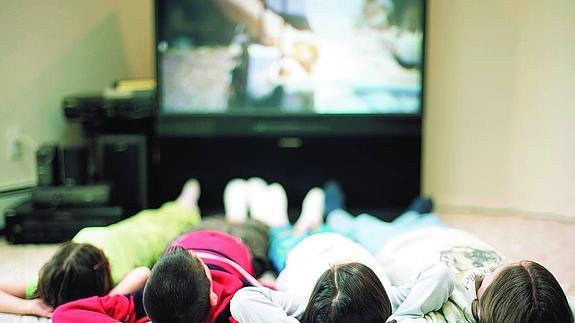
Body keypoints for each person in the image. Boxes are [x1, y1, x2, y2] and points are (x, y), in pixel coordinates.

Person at [229, 180, 455, 323]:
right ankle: (313, 217)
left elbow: (242, 300)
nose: (337, 260)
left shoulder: (301, 303)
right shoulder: (389, 300)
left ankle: (291, 216)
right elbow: (440, 273)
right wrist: (406, 314)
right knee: (327, 223)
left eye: (333, 266)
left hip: (297, 250)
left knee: (279, 231)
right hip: (342, 239)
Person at [52, 178, 272, 323]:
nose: (193, 256)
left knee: (210, 218)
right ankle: (243, 203)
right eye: (199, 265)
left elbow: (63, 313)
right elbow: (272, 294)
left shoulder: (142, 306)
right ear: (213, 296)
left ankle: (236, 202)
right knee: (255, 224)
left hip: (192, 234)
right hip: (240, 242)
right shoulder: (236, 303)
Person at [327, 206, 575, 323]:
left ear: (483, 307)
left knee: (354, 223)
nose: (484, 271)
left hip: (397, 243)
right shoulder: (540, 303)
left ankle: (333, 208)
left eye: (484, 278)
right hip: (445, 231)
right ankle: (414, 211)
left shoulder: (454, 317)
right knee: (424, 215)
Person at [0, 178, 203, 318]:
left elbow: (143, 272)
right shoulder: (55, 279)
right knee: (160, 214)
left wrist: (103, 301)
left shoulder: (115, 271)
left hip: (146, 237)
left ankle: (188, 199)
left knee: (181, 216)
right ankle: (185, 198)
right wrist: (27, 306)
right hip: (122, 230)